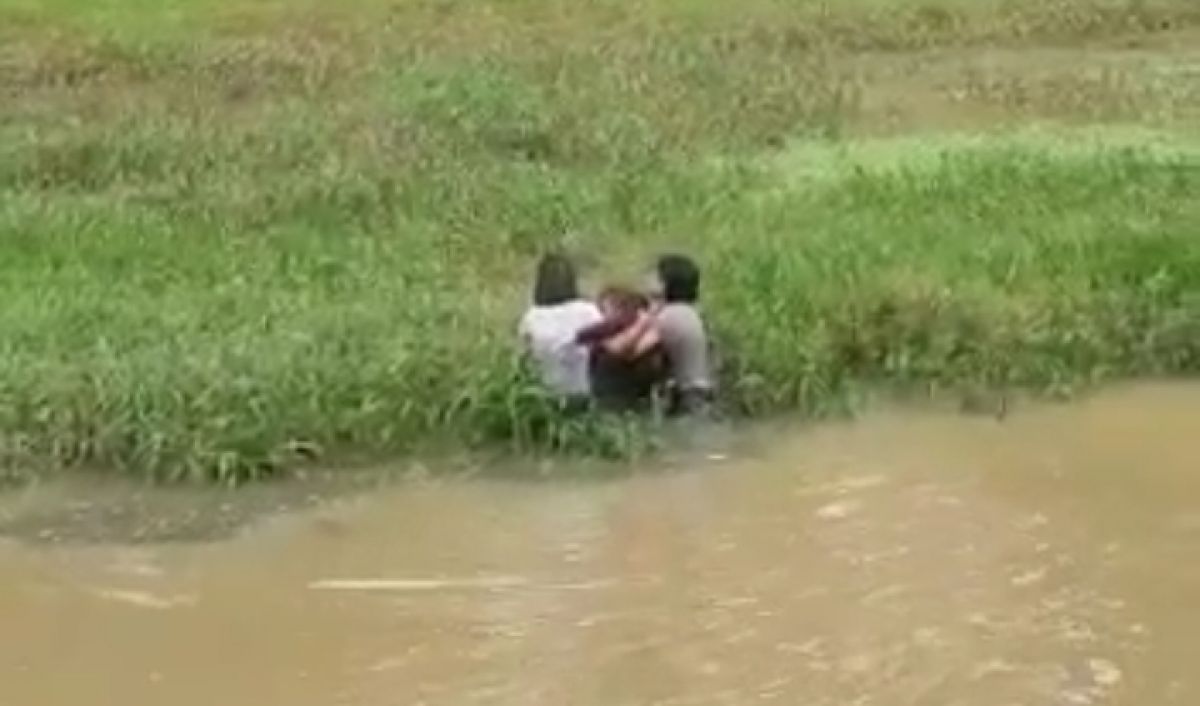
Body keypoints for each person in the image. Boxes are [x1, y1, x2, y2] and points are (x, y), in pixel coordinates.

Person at [518, 254, 603, 406]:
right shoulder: (588, 311)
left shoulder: (531, 317)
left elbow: (524, 360)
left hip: (547, 396)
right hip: (586, 391)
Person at [576, 287, 664, 412]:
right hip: (627, 404)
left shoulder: (607, 333)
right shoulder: (602, 333)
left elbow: (617, 349)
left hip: (617, 403)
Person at [651, 254, 714, 416]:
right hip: (703, 392)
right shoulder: (692, 311)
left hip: (686, 398)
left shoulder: (668, 315)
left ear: (665, 284)